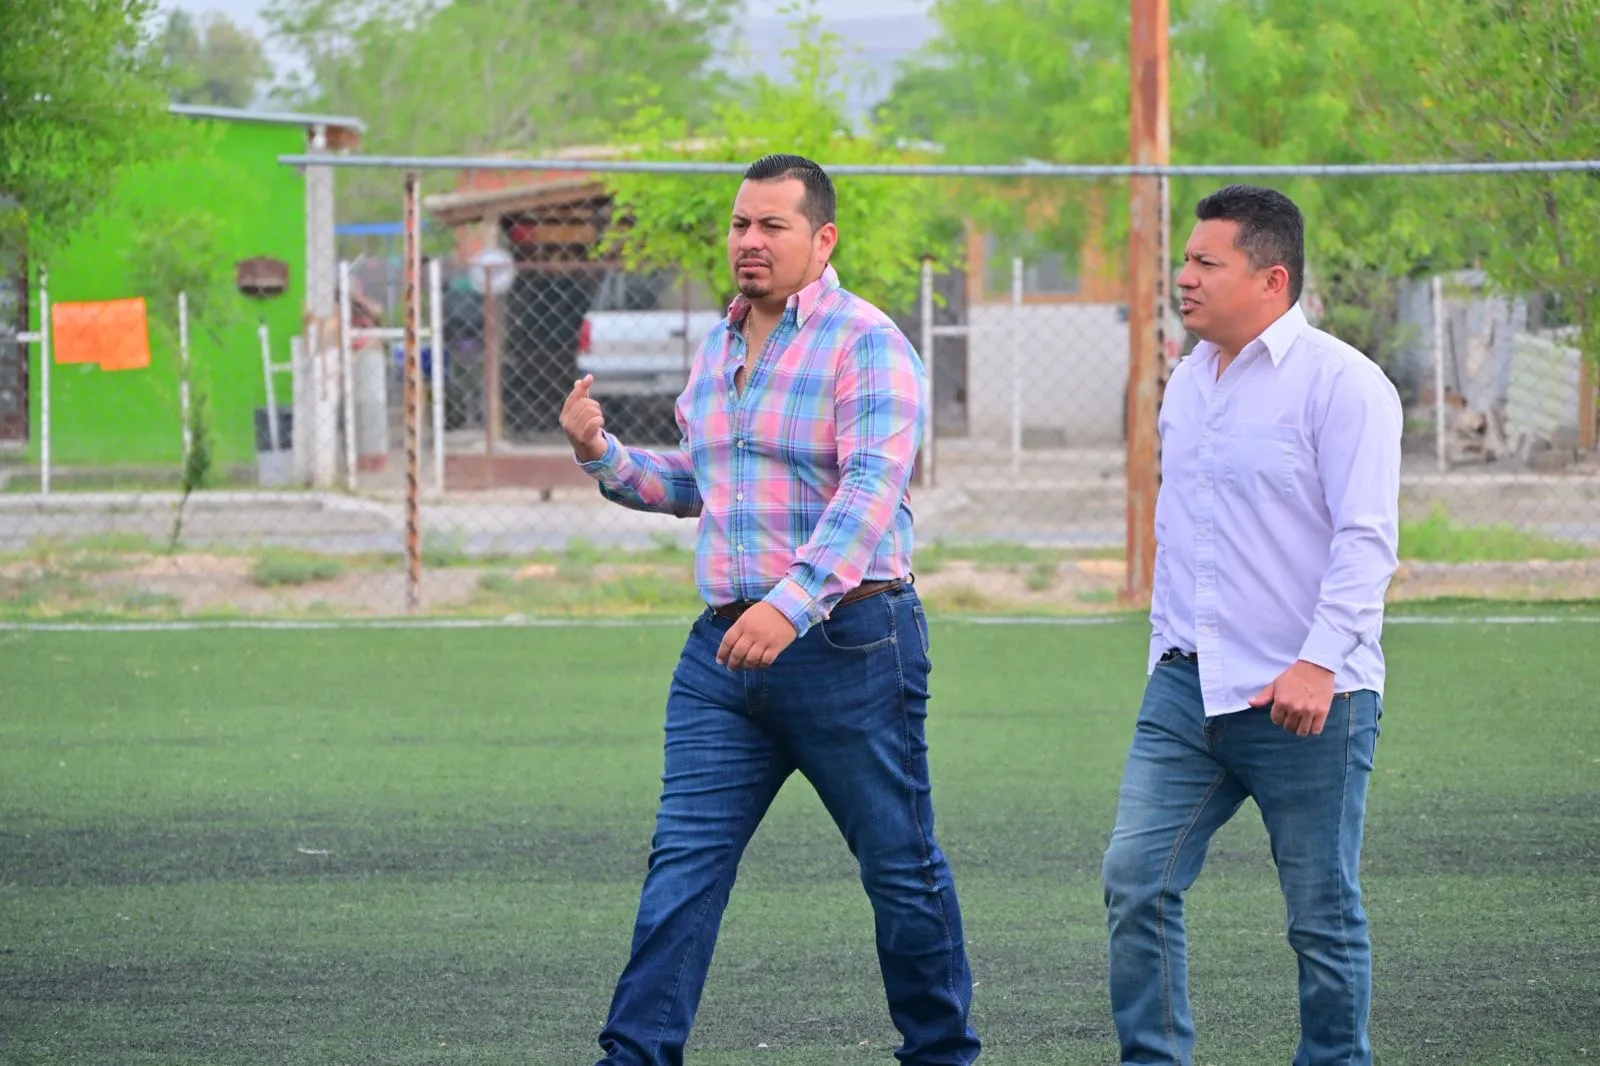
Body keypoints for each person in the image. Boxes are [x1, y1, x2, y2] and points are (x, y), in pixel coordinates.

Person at [562, 153, 980, 1066]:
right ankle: (634, 1056)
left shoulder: (867, 343)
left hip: (850, 644)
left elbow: (869, 491)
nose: (749, 241)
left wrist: (790, 606)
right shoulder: (719, 347)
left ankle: (942, 1054)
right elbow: (701, 485)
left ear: (822, 239)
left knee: (900, 870)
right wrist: (604, 456)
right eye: (740, 224)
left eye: (772, 226)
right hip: (724, 658)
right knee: (683, 868)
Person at [1100, 184, 1403, 1066]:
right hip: (1186, 687)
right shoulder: (1189, 382)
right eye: (1184, 260)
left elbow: (1366, 542)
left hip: (1307, 695)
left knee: (1320, 915)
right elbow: (1186, 531)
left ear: (1272, 280)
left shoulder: (1346, 385)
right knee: (1135, 882)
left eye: (1206, 262)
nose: (1183, 277)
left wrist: (1319, 663)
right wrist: (1167, 652)